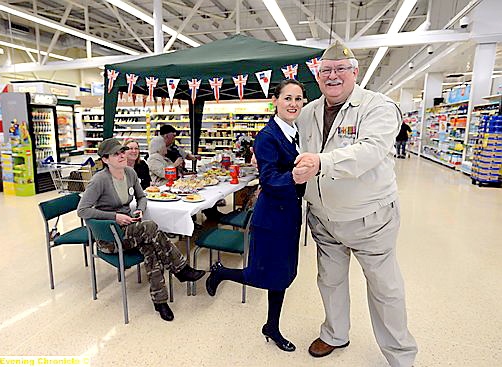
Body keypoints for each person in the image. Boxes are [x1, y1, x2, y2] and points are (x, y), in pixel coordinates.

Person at [292, 41, 418, 367]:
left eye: (340, 69)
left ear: (355, 72)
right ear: (318, 77)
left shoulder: (378, 107)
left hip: (369, 218)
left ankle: (401, 356)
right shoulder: (308, 113)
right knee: (329, 280)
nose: (333, 76)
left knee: (384, 289)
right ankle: (335, 333)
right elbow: (301, 152)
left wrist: (321, 162)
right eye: (326, 71)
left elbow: (370, 151)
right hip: (323, 218)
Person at [206, 79, 306, 352]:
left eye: (298, 99)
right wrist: (298, 175)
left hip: (289, 215)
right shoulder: (267, 136)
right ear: (275, 100)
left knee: (284, 274)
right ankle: (221, 272)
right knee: (263, 273)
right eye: (287, 98)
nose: (293, 104)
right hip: (271, 217)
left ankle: (271, 326)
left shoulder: (296, 133)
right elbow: (270, 178)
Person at [77, 138, 205, 322]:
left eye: (122, 152)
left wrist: (139, 209)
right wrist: (114, 217)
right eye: (116, 154)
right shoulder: (99, 180)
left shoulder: (129, 172)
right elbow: (82, 210)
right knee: (151, 227)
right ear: (105, 159)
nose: (122, 155)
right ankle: (181, 269)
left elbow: (141, 197)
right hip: (110, 237)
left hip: (130, 230)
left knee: (151, 248)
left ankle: (160, 301)